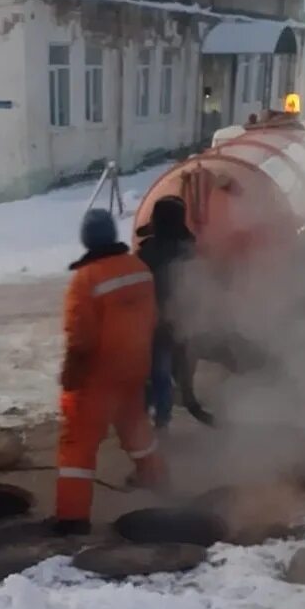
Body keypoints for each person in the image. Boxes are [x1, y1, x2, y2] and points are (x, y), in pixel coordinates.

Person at [53, 209, 169, 535]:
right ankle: (158, 478)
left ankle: (72, 518)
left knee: (78, 443)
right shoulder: (139, 268)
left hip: (97, 378)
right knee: (134, 426)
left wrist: (71, 376)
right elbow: (152, 318)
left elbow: (81, 340)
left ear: (86, 239)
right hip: (133, 368)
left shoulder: (86, 280)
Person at [136, 196, 196, 431]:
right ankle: (165, 415)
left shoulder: (148, 253)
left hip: (155, 321)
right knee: (172, 368)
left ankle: (151, 418)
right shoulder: (189, 248)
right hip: (181, 320)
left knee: (156, 372)